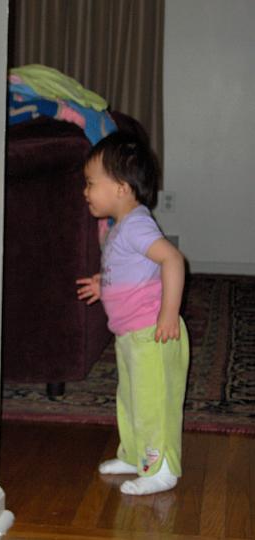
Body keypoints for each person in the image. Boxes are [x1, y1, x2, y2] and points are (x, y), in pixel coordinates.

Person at [76, 132, 189, 495]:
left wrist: (168, 313)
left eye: (91, 183)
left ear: (121, 188)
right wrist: (104, 284)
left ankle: (161, 469)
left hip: (152, 333)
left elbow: (172, 259)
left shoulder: (137, 224)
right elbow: (134, 270)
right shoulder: (121, 228)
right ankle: (137, 455)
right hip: (130, 336)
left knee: (153, 402)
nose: (85, 191)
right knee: (131, 400)